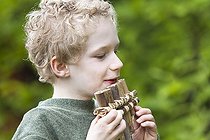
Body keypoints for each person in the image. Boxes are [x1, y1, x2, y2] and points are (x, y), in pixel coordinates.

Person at [13, 0, 158, 139]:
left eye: (116, 51)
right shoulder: (41, 122)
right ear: (61, 66)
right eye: (101, 55)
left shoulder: (110, 113)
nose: (118, 63)